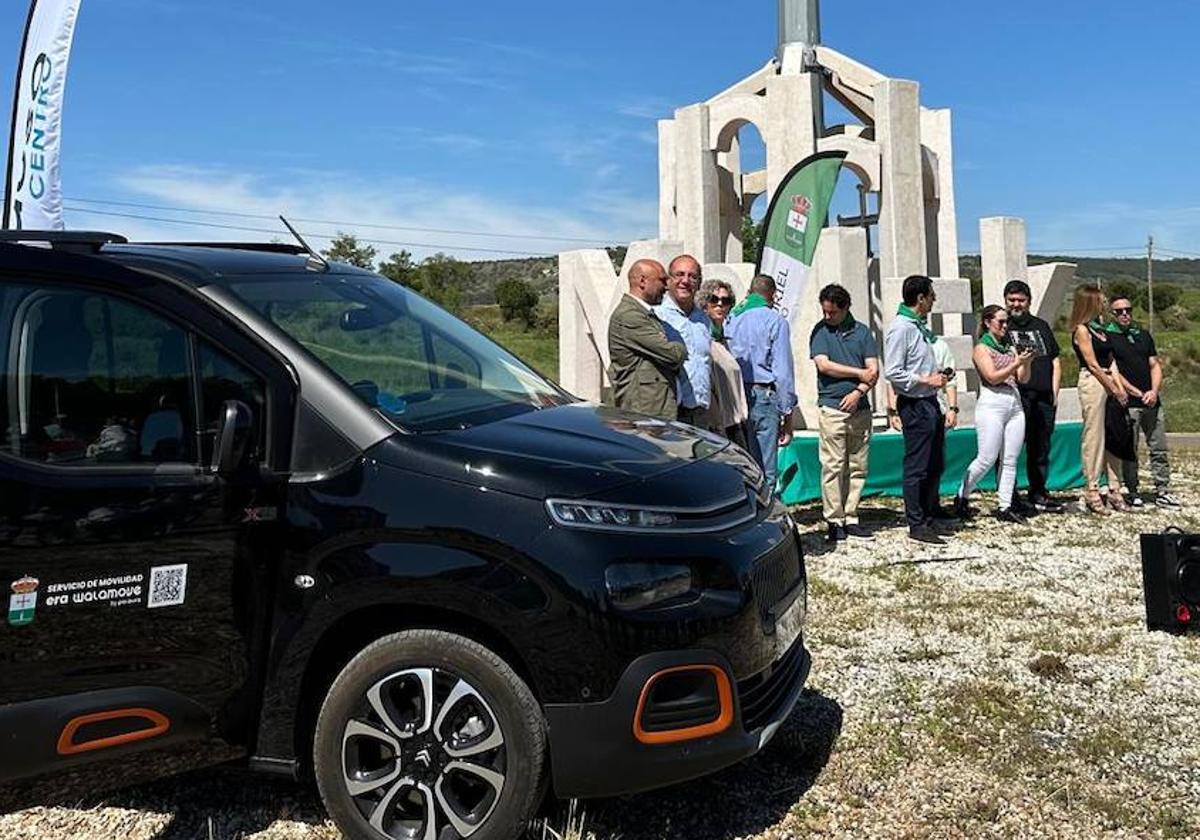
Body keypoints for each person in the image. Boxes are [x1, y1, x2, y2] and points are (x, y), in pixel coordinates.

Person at [884, 275, 954, 545]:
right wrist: (926, 380)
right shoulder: (901, 328)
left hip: (929, 401)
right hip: (914, 404)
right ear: (921, 298)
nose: (934, 300)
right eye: (931, 295)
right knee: (917, 465)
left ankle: (930, 511)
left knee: (935, 461)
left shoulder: (918, 328)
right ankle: (916, 522)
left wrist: (935, 376)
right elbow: (894, 371)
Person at [953, 305, 1035, 523]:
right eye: (1001, 322)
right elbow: (992, 377)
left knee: (1010, 458)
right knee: (987, 457)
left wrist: (1026, 363)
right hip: (992, 401)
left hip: (1014, 400)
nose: (1005, 326)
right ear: (988, 323)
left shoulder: (1010, 347)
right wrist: (1016, 362)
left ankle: (1005, 505)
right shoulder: (982, 348)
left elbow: (1023, 378)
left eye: (1007, 322)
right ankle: (962, 494)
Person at [810, 283, 878, 543]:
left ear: (846, 308)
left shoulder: (862, 333)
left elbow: (874, 369)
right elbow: (824, 365)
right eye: (825, 312)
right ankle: (833, 519)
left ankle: (852, 516)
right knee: (833, 465)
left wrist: (859, 391)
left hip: (859, 408)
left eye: (832, 313)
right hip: (831, 406)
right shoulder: (820, 331)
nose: (827, 317)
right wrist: (858, 373)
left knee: (858, 465)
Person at [1106, 296, 1181, 509]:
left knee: (1159, 447)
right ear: (1112, 314)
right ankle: (1132, 489)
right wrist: (1136, 392)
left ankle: (1163, 489)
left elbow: (1154, 365)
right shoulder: (1109, 337)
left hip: (1152, 401)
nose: (1124, 314)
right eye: (1119, 311)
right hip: (1129, 402)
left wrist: (1154, 391)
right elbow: (1114, 371)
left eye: (1127, 310)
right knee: (1131, 449)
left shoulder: (1143, 335)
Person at [725, 274, 797, 494]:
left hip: (734, 394)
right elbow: (782, 370)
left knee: (742, 460)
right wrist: (787, 410)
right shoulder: (775, 321)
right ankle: (768, 515)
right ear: (773, 295)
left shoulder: (731, 318)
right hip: (763, 394)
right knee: (766, 467)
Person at [1004, 279, 1063, 513]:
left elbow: (1056, 359)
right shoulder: (1002, 327)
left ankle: (1038, 491)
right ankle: (1010, 493)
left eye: (1021, 300)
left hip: (1043, 396)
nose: (1016, 304)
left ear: (1029, 301)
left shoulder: (1041, 326)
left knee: (1041, 447)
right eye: (1012, 300)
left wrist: (1054, 392)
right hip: (1017, 396)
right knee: (1012, 447)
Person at [1069, 284, 1128, 514]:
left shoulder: (1101, 330)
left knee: (1113, 432)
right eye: (1100, 300)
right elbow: (1092, 363)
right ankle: (1092, 486)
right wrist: (1111, 386)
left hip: (1110, 378)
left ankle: (1114, 486)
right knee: (1095, 435)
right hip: (1094, 381)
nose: (1104, 303)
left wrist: (1119, 387)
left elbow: (1111, 359)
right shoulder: (1082, 330)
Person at [607, 259, 688, 420]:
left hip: (654, 412)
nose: (666, 286)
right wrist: (680, 346)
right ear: (643, 281)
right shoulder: (630, 316)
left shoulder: (645, 314)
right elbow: (673, 355)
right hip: (644, 416)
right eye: (662, 280)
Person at [654, 255, 712, 426]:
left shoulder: (704, 320)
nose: (685, 281)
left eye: (692, 276)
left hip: (701, 413)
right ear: (669, 280)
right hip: (671, 414)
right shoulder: (657, 316)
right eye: (679, 274)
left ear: (699, 283)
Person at [699, 278, 749, 447]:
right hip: (718, 426)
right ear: (705, 304)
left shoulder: (725, 341)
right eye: (714, 300)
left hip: (735, 422)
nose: (720, 304)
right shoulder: (704, 339)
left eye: (725, 301)